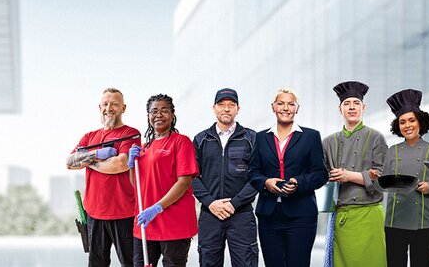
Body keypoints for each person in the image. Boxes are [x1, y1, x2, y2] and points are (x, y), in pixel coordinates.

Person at [247, 88, 328, 267]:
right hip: (269, 216)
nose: (285, 108)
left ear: (297, 108)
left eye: (291, 104)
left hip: (301, 215)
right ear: (273, 107)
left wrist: (299, 183)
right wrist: (266, 182)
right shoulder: (260, 138)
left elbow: (321, 174)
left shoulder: (311, 136)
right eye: (281, 103)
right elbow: (252, 172)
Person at [66, 88, 141, 267]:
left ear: (123, 108)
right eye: (105, 104)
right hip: (94, 213)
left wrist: (87, 159)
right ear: (99, 107)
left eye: (115, 104)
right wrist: (98, 154)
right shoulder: (89, 137)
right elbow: (69, 162)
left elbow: (120, 165)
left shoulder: (130, 134)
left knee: (131, 263)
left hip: (124, 212)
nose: (109, 108)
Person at [320, 81, 387, 266]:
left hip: (369, 215)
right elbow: (320, 177)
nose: (352, 107)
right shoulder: (328, 142)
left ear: (363, 107)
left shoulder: (376, 137)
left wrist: (350, 176)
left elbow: (382, 176)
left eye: (356, 103)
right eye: (347, 103)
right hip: (342, 217)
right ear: (339, 109)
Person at [128, 94, 199, 267]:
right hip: (145, 225)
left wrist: (157, 207)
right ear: (148, 117)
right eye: (154, 111)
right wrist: (131, 165)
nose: (159, 115)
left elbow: (184, 182)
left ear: (172, 115)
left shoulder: (181, 142)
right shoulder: (144, 148)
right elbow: (136, 185)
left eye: (164, 111)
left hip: (174, 224)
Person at [192, 88, 259, 267]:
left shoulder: (251, 138)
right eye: (221, 105)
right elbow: (192, 177)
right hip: (209, 214)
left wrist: (234, 203)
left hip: (242, 215)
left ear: (238, 109)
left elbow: (257, 177)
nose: (226, 109)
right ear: (214, 108)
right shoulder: (201, 139)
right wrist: (210, 203)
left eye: (231, 105)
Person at [381, 89, 429, 267]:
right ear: (397, 126)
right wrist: (376, 178)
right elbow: (384, 183)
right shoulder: (392, 151)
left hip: (423, 222)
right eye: (402, 122)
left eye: (411, 120)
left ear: (420, 122)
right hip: (394, 220)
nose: (407, 125)